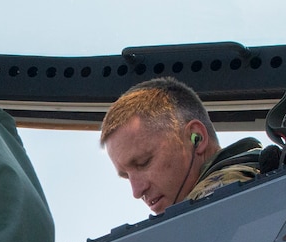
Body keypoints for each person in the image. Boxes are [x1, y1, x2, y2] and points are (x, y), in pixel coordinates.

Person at [100, 76, 265, 215]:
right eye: (127, 176)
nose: (136, 191)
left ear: (197, 138)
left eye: (144, 162)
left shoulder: (222, 200)